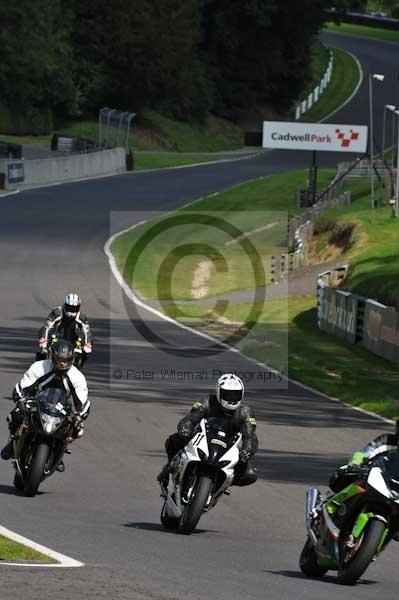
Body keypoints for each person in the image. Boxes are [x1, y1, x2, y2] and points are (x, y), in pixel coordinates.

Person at [157, 373, 258, 488]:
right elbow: (191, 417)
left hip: (229, 443)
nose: (232, 398)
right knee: (174, 440)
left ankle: (226, 482)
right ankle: (170, 467)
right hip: (205, 436)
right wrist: (186, 428)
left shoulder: (245, 412)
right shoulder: (207, 401)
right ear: (219, 392)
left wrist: (247, 450)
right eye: (228, 394)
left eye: (236, 394)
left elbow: (250, 435)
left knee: (248, 473)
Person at [1, 340, 90, 461]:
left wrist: (79, 416)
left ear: (72, 359)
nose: (62, 364)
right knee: (16, 414)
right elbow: (22, 386)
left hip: (61, 407)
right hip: (37, 401)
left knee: (78, 430)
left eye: (65, 360)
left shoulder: (77, 377)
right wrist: (21, 399)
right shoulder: (39, 367)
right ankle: (12, 443)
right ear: (52, 357)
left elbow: (83, 402)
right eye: (59, 360)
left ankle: (59, 451)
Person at [329, 423, 399, 494]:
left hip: (393, 489)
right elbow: (362, 453)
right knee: (341, 477)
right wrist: (355, 464)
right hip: (370, 479)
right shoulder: (386, 440)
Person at [37, 293, 93, 366]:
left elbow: (87, 332)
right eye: (70, 308)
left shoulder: (82, 317)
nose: (72, 311)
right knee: (43, 350)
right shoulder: (56, 313)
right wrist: (43, 340)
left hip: (73, 338)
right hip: (56, 336)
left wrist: (87, 344)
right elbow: (47, 327)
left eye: (74, 308)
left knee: (86, 351)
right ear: (65, 305)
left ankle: (78, 365)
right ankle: (41, 365)